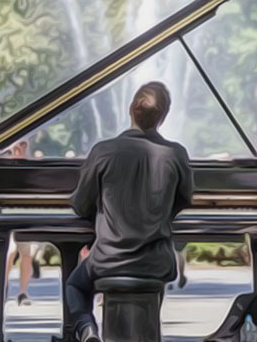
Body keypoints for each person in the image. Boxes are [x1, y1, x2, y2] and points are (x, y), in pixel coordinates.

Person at [65, 81, 193, 342]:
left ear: (131, 109)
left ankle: (86, 328)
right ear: (164, 117)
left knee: (75, 285)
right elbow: (184, 199)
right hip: (157, 260)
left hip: (108, 259)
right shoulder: (176, 154)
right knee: (154, 275)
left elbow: (80, 204)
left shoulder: (103, 151)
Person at [5, 141, 38, 306]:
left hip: (25, 216)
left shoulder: (29, 169)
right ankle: (2, 286)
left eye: (23, 146)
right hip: (9, 218)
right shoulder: (6, 169)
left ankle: (23, 291)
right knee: (10, 252)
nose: (20, 149)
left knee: (27, 254)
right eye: (17, 147)